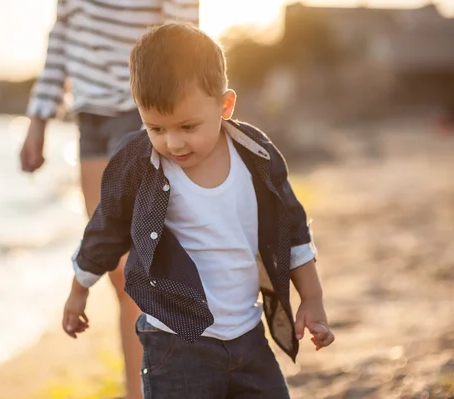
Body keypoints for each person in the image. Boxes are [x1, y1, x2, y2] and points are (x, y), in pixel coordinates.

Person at [63, 23, 335, 398]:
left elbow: (291, 229)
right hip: (175, 344)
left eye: (188, 126)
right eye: (155, 127)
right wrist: (79, 290)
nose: (173, 143)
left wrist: (312, 297)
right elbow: (106, 228)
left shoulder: (257, 155)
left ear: (225, 105)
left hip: (248, 337)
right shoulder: (138, 162)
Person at [19, 2, 199, 398]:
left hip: (140, 111)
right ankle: (139, 389)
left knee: (138, 271)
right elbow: (62, 37)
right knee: (118, 274)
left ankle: (156, 388)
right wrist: (38, 121)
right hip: (89, 117)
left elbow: (183, 28)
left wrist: (179, 119)